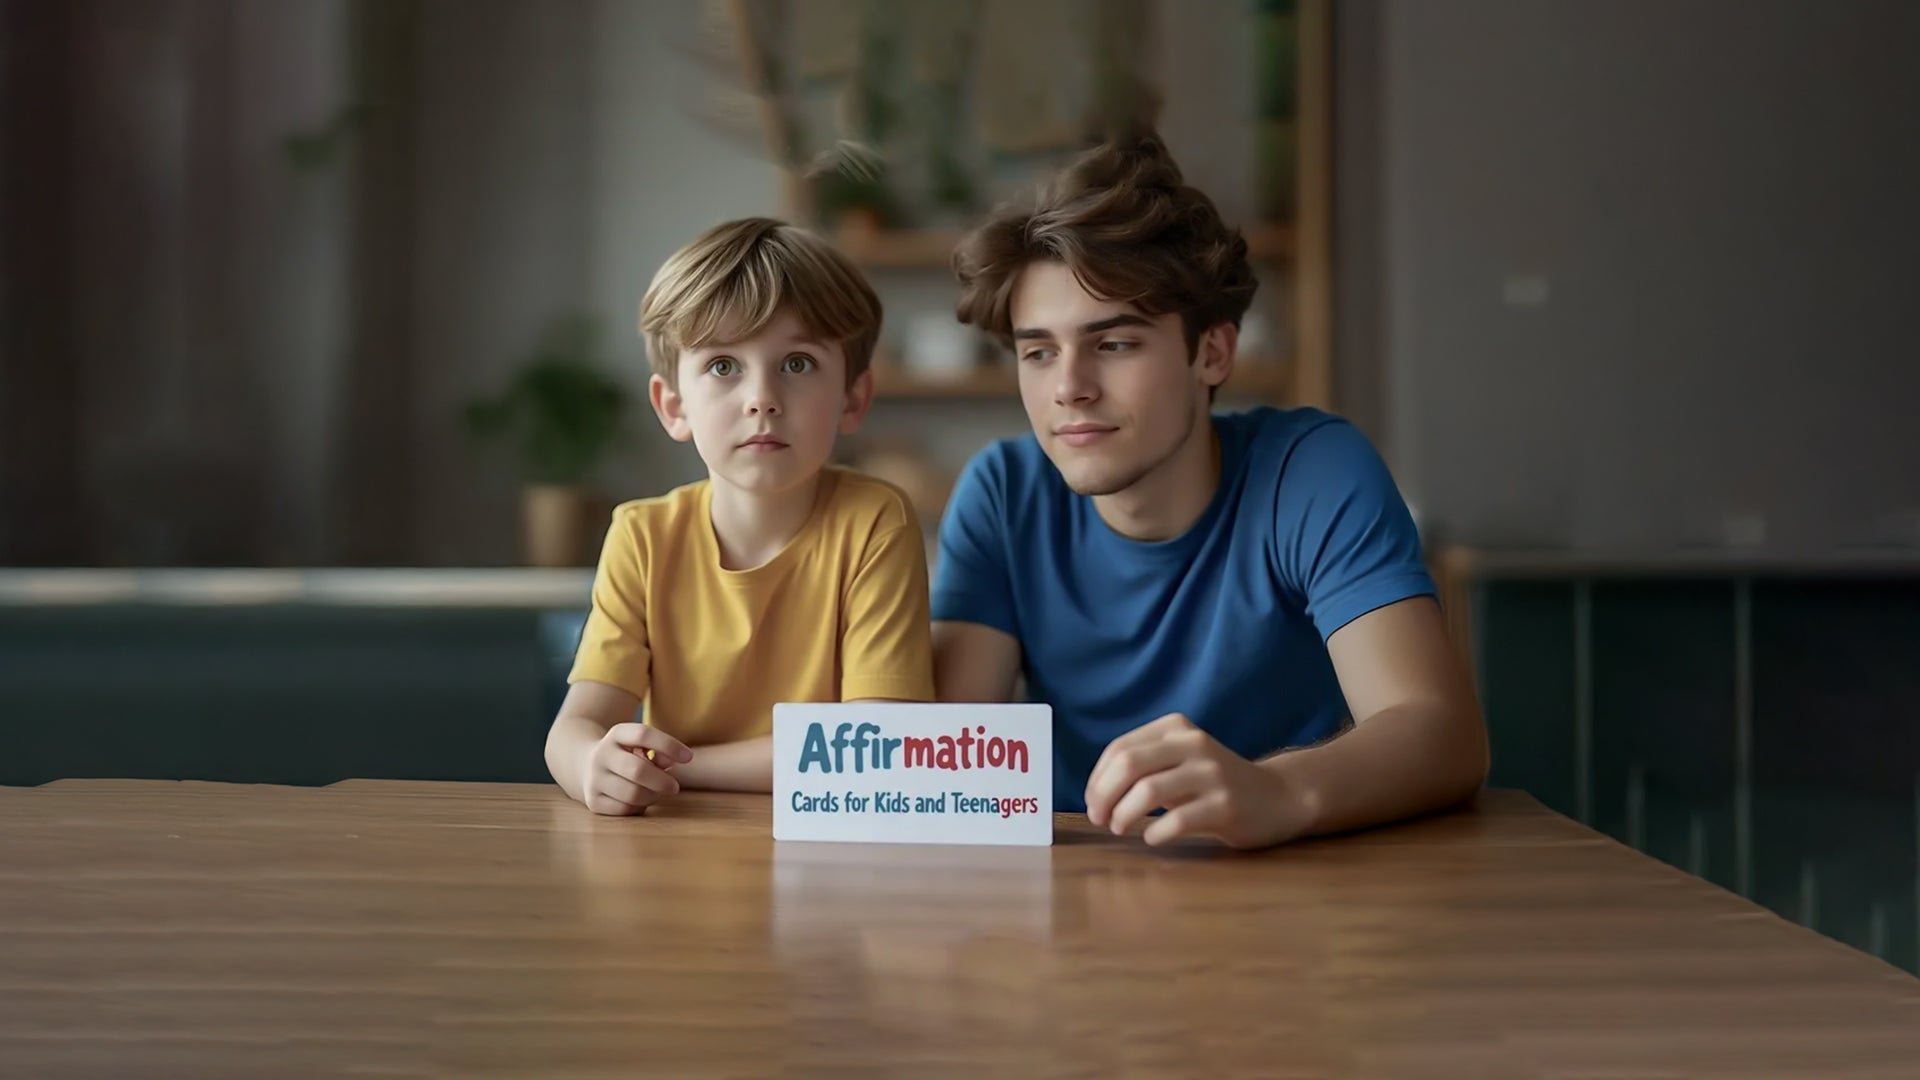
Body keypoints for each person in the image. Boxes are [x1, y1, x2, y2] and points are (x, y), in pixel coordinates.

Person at [932, 132, 1487, 848]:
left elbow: (1443, 734)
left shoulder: (1311, 471)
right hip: (1079, 877)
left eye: (1114, 344)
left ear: (1213, 352)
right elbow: (943, 760)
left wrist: (1276, 790)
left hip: (1298, 879)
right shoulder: (1005, 494)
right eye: (1039, 352)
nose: (1069, 387)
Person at [546, 218, 935, 815]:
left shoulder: (875, 522)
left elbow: (878, 745)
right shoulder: (641, 536)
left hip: (829, 847)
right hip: (675, 843)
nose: (763, 399)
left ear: (853, 398)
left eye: (797, 364)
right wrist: (591, 766)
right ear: (673, 406)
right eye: (724, 366)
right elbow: (575, 728)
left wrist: (673, 767)